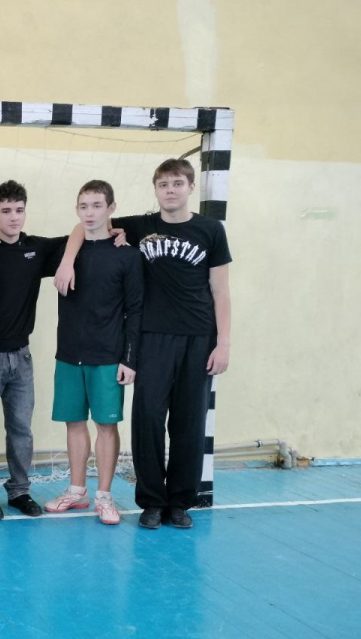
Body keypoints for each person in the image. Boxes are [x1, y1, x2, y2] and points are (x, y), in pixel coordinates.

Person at [57, 159, 232, 530]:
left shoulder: (210, 230)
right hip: (152, 338)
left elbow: (221, 290)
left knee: (189, 423)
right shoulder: (141, 225)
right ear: (155, 190)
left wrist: (224, 343)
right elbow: (86, 223)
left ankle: (180, 502)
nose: (170, 190)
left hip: (198, 338)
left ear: (190, 187)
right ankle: (152, 501)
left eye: (177, 183)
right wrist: (68, 260)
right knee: (148, 420)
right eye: (163, 184)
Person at [0, 180, 82, 521]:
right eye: (6, 211)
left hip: (21, 357)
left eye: (19, 210)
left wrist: (67, 262)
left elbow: (79, 233)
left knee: (21, 429)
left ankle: (19, 490)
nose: (13, 217)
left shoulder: (37, 249)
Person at [43, 180, 143, 525]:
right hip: (69, 353)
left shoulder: (128, 255)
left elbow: (136, 310)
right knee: (73, 423)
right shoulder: (66, 251)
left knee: (106, 425)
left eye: (97, 205)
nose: (89, 213)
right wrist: (67, 260)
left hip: (108, 356)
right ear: (77, 209)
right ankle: (77, 491)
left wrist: (129, 358)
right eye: (83, 206)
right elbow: (77, 233)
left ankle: (104, 495)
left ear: (111, 209)